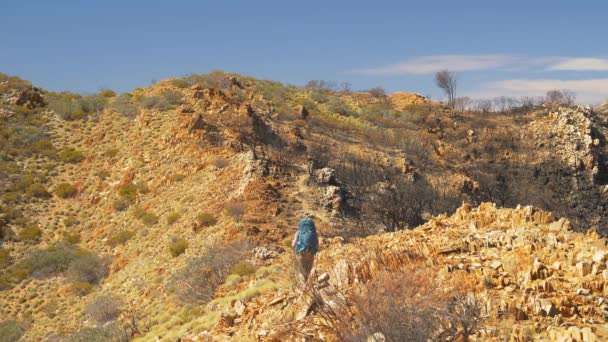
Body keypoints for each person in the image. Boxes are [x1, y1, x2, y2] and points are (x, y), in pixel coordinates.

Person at [291, 213, 319, 285]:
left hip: (301, 253)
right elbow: (317, 244)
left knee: (300, 271)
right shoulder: (314, 233)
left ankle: (303, 288)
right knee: (308, 270)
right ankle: (308, 286)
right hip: (311, 252)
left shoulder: (298, 233)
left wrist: (294, 250)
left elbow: (293, 244)